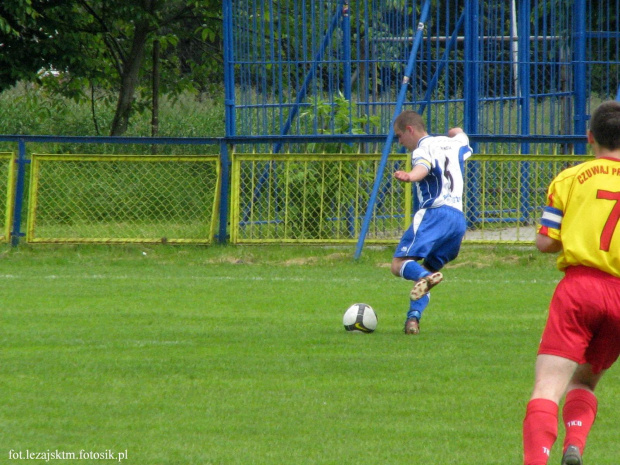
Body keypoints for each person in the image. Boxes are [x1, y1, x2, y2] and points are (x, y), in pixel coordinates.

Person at [522, 100, 620, 465]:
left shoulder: (570, 177)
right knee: (585, 381)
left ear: (589, 137)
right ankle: (574, 443)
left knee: (548, 386)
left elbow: (545, 241)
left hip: (580, 288)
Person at [390, 110, 472, 335]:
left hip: (435, 213)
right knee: (425, 270)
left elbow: (423, 168)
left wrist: (410, 176)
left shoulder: (422, 148)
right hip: (457, 221)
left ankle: (426, 278)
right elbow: (462, 136)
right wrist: (456, 131)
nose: (400, 142)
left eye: (399, 136)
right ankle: (413, 319)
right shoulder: (453, 143)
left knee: (398, 265)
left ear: (410, 129)